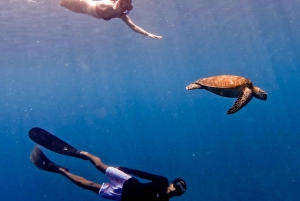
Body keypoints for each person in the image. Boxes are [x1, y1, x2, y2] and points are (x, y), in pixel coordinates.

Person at [29, 127, 186, 201]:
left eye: (179, 191)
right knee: (99, 166)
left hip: (122, 196)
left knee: (88, 185)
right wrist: (125, 169)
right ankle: (82, 153)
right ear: (173, 183)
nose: (176, 190)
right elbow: (145, 175)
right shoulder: (162, 181)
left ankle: (61, 170)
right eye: (177, 186)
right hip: (128, 181)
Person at [59, 0, 162, 39]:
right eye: (124, 5)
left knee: (61, 4)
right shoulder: (107, 4)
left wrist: (146, 33)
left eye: (127, 7)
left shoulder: (121, 14)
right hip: (82, 2)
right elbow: (109, 7)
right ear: (118, 2)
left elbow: (133, 26)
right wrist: (115, 7)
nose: (124, 9)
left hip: (86, 12)